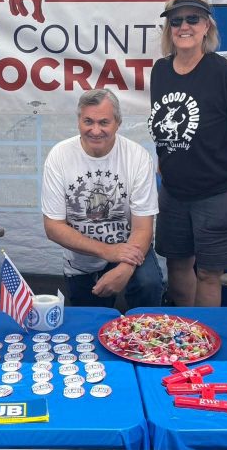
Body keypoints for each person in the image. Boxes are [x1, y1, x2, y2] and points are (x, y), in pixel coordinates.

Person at [150, 0, 227, 307]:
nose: (184, 26)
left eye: (192, 19)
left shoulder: (223, 73)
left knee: (209, 274)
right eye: (176, 20)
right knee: (177, 264)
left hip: (217, 192)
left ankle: (203, 339)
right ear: (169, 28)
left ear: (207, 25)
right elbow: (162, 119)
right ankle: (183, 332)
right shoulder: (160, 70)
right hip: (174, 193)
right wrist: (163, 159)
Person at [42, 89, 162, 309]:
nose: (95, 130)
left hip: (129, 249)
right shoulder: (59, 156)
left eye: (104, 122)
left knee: (149, 284)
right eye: (88, 121)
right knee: (89, 322)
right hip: (81, 259)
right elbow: (53, 227)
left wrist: (124, 266)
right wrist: (108, 251)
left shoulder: (138, 157)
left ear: (118, 123)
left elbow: (143, 228)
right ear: (78, 121)